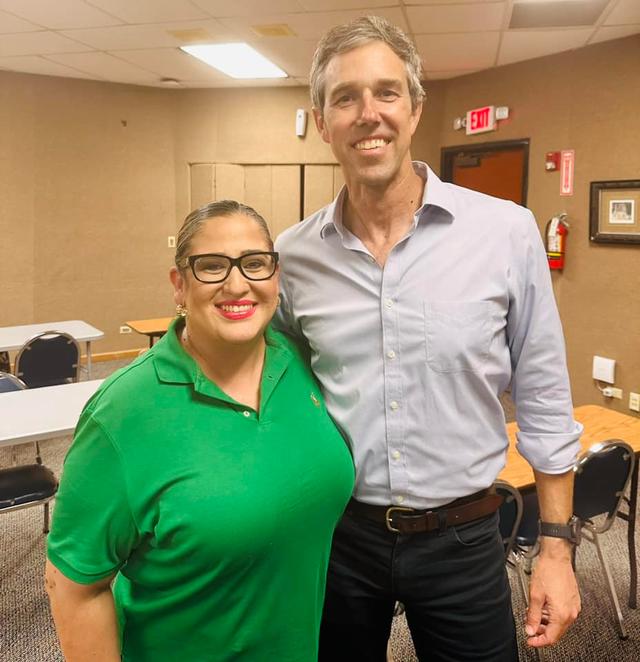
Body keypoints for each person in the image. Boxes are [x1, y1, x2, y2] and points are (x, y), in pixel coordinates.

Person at [275, 16, 582, 662]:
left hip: (465, 538)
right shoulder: (293, 257)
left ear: (415, 109)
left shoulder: (505, 233)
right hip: (339, 537)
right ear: (322, 120)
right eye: (345, 97)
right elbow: (276, 395)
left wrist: (556, 548)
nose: (369, 114)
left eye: (387, 93)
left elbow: (546, 397)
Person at [45, 200, 354, 662]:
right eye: (211, 266)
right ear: (179, 286)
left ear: (276, 276)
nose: (237, 283)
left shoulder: (299, 362)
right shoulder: (124, 413)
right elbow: (75, 586)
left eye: (254, 263)